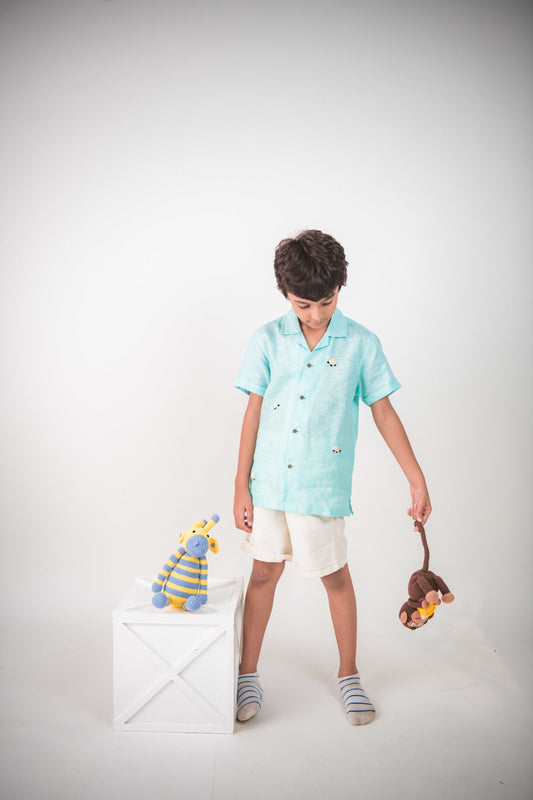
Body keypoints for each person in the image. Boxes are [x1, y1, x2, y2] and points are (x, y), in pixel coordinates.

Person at [233, 230, 431, 726]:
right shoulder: (266, 340)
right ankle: (246, 673)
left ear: (340, 288)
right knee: (262, 573)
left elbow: (383, 410)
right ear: (285, 294)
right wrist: (241, 485)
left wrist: (416, 478)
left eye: (325, 301)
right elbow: (253, 414)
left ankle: (349, 676)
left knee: (335, 577)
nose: (316, 314)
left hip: (321, 486)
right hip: (270, 485)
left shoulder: (362, 343)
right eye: (304, 304)